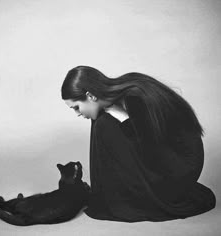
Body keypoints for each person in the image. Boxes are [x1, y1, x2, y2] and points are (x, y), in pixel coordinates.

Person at [61, 65, 216, 222]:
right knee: (100, 119)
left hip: (179, 166)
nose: (78, 113)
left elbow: (152, 149)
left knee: (103, 124)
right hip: (163, 156)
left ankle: (117, 200)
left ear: (90, 96)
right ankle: (110, 197)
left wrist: (123, 118)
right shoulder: (120, 93)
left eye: (76, 107)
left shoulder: (135, 97)